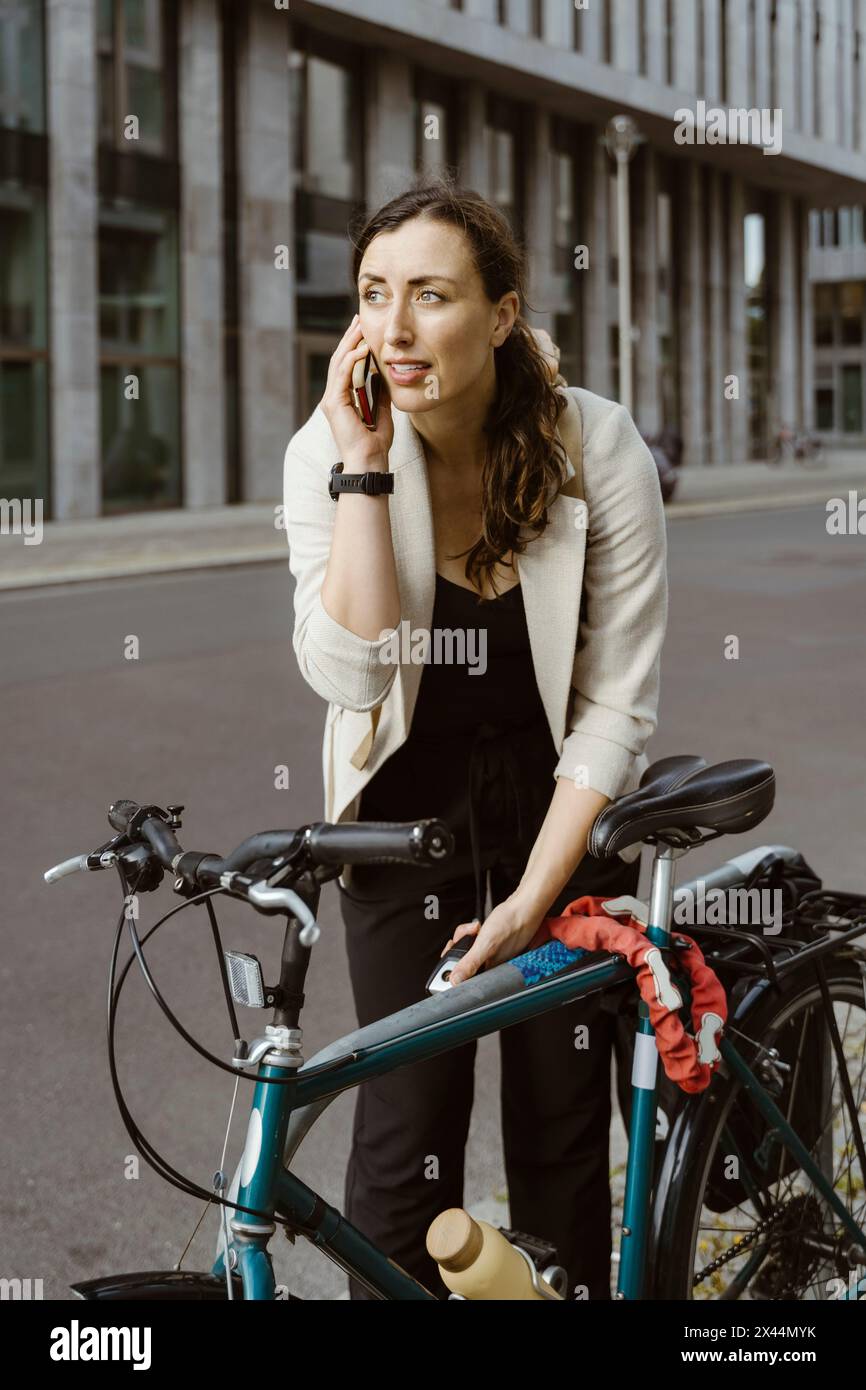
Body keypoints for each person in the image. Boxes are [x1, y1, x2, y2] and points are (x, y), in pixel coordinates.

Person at [283, 179, 668, 1301]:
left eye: (430, 295)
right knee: (404, 1138)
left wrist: (530, 901)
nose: (393, 329)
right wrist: (362, 470)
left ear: (501, 313)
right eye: (372, 295)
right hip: (402, 820)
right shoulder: (328, 449)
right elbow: (347, 676)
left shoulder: (594, 445)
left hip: (562, 812)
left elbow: (613, 709)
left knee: (558, 1122)